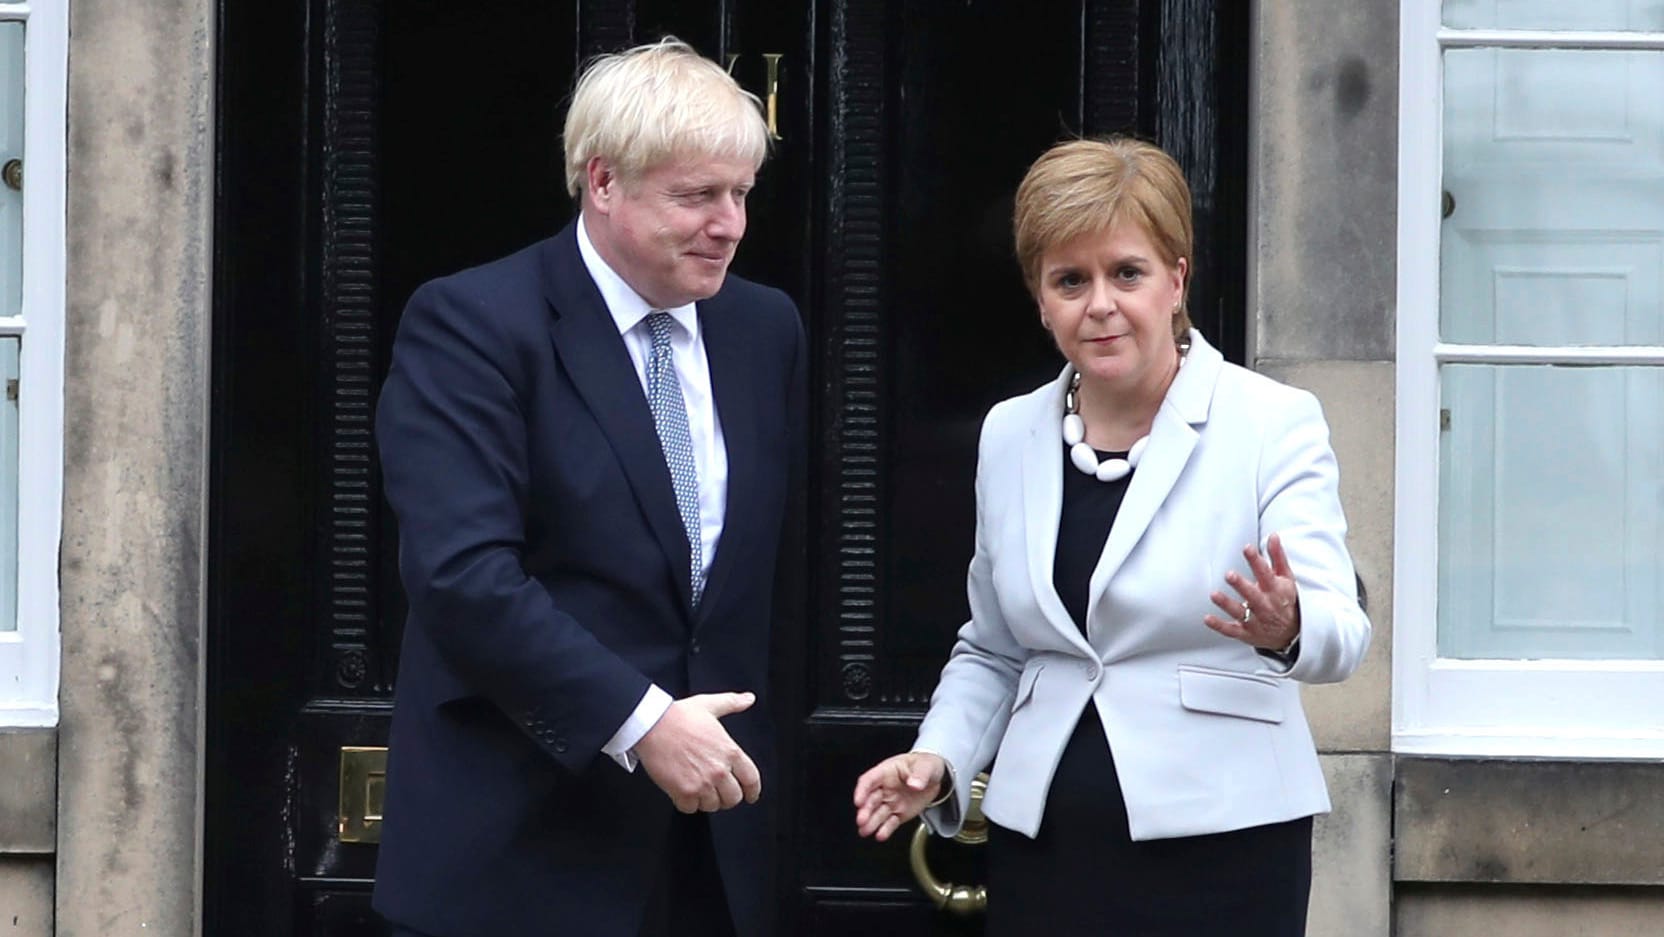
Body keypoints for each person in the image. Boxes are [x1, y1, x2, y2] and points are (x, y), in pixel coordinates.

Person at [852, 137, 1370, 936]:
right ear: (1041, 298)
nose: (1099, 302)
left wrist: (1291, 622)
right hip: (1048, 844)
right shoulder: (1009, 432)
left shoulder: (1270, 420)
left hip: (1225, 844)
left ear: (1176, 279)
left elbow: (1344, 631)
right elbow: (993, 645)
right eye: (1070, 279)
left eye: (1126, 272)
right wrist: (940, 756)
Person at [372, 38, 805, 937]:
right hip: (519, 854)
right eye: (696, 196)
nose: (730, 224)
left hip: (713, 863)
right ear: (602, 182)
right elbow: (462, 576)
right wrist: (642, 722)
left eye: (741, 194)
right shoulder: (474, 324)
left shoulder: (764, 329)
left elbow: (763, 587)